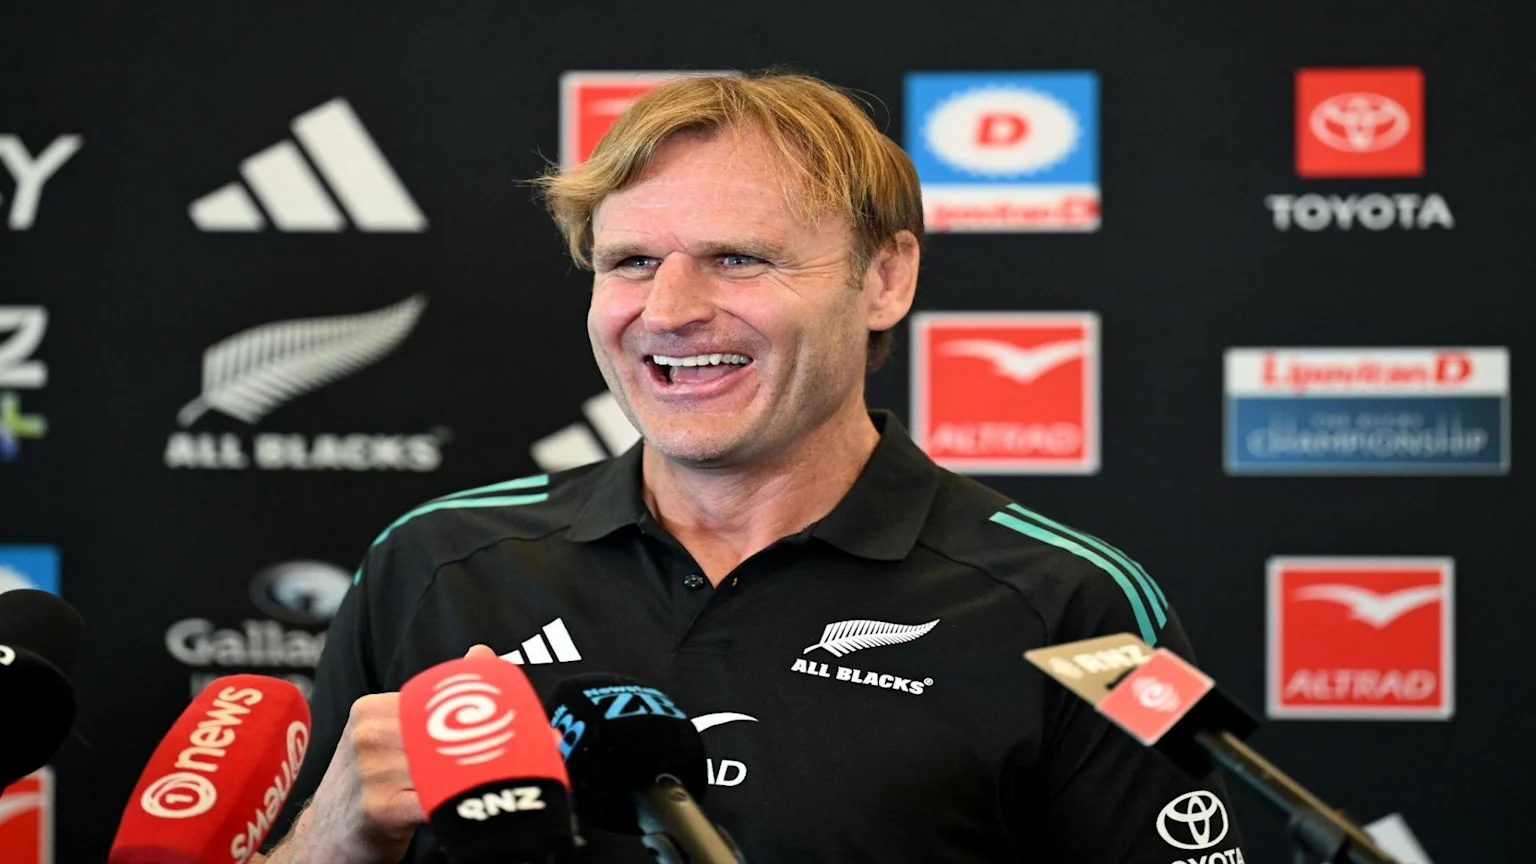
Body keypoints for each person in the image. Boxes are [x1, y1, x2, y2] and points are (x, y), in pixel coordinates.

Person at [260, 72, 1243, 863]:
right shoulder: (436, 564)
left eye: (737, 258)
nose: (670, 310)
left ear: (885, 278)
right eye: (631, 262)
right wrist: (330, 840)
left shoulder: (1070, 605)